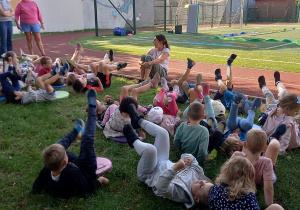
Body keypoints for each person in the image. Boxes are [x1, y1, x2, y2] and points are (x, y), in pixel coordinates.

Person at [122, 103, 212, 209]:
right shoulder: (198, 174)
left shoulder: (181, 194)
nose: (202, 181)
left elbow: (161, 187)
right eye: (205, 181)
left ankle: (133, 140)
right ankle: (138, 120)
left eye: (201, 186)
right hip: (163, 160)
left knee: (151, 150)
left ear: (196, 198)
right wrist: (189, 158)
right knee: (164, 133)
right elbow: (193, 161)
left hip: (149, 173)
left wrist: (175, 169)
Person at [32, 89, 109, 198]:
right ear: (64, 162)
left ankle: (76, 132)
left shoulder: (47, 170)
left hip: (73, 164)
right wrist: (99, 181)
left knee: (56, 148)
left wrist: (36, 190)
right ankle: (93, 107)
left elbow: (37, 185)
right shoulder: (73, 175)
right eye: (65, 154)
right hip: (86, 168)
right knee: (87, 139)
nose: (66, 151)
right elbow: (87, 188)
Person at [197, 156, 283, 210]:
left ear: (225, 171)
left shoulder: (215, 189)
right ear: (249, 179)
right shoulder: (248, 197)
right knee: (276, 207)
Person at [231, 127, 286, 207]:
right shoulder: (266, 162)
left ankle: (255, 147)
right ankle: (273, 138)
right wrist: (269, 205)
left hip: (248, 156)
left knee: (248, 152)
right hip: (264, 175)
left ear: (244, 145)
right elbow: (268, 187)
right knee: (275, 144)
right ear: (264, 148)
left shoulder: (236, 155)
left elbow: (228, 172)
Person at [5, 62, 69, 104]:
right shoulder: (24, 101)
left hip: (44, 92)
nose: (18, 91)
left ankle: (53, 72)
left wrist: (33, 89)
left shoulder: (24, 95)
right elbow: (34, 97)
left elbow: (34, 94)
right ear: (17, 98)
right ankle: (62, 72)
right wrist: (30, 89)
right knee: (46, 82)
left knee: (38, 79)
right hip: (50, 96)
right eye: (16, 92)